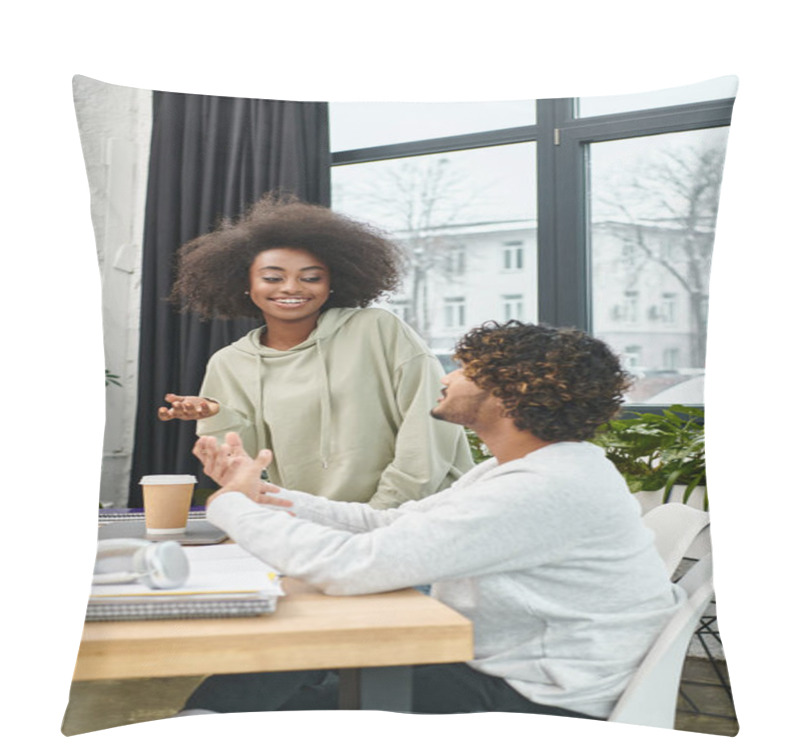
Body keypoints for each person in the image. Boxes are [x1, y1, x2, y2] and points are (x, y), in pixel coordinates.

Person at [179, 321, 685, 721]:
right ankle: (189, 731)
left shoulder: (542, 488)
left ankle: (188, 741)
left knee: (267, 713)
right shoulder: (530, 467)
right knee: (282, 658)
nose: (446, 376)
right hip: (503, 669)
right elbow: (388, 524)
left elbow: (350, 567)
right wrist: (263, 494)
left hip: (537, 702)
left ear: (515, 390)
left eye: (465, 368)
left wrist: (228, 504)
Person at [158, 193, 473, 509]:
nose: (292, 288)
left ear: (332, 283)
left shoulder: (377, 329)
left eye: (310, 278)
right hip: (321, 524)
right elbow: (245, 461)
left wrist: (381, 511)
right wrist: (217, 415)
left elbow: (431, 424)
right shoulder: (230, 363)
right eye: (272, 278)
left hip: (423, 512)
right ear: (245, 284)